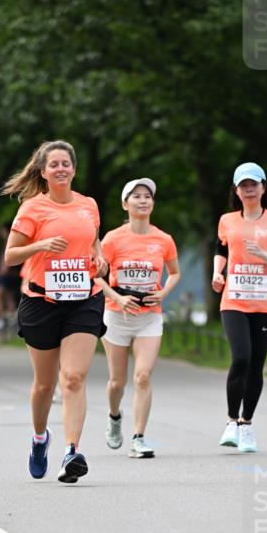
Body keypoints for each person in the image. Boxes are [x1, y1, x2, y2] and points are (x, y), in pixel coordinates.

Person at [1, 140, 107, 483]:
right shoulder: (33, 208)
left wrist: (100, 258)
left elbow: (93, 242)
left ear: (74, 169)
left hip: (84, 299)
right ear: (43, 172)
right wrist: (41, 245)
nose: (61, 169)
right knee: (45, 384)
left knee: (73, 378)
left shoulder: (89, 205)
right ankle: (39, 438)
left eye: (66, 163)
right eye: (54, 164)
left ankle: (71, 452)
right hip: (41, 301)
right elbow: (11, 256)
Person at [212, 162, 267, 453]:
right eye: (243, 185)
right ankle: (231, 421)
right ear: (236, 190)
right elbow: (221, 249)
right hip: (233, 301)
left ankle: (246, 424)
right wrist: (217, 273)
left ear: (263, 187)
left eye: (253, 184)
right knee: (241, 357)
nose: (248, 189)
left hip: (264, 303)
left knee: (256, 365)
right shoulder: (227, 220)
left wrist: (264, 255)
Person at [99, 178, 180, 458]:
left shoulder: (163, 239)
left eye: (147, 196)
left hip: (149, 318)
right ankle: (114, 417)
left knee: (143, 377)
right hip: (116, 316)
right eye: (136, 196)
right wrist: (118, 297)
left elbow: (175, 272)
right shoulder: (112, 239)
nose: (143, 200)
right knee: (117, 382)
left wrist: (163, 292)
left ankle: (138, 438)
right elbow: (95, 276)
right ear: (125, 204)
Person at [0, 224, 21, 335]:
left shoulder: (8, 242)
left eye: (2, 230)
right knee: (9, 297)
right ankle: (13, 320)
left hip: (6, 275)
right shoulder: (15, 241)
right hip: (13, 274)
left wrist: (1, 272)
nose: (0, 233)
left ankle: (1, 320)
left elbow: (5, 260)